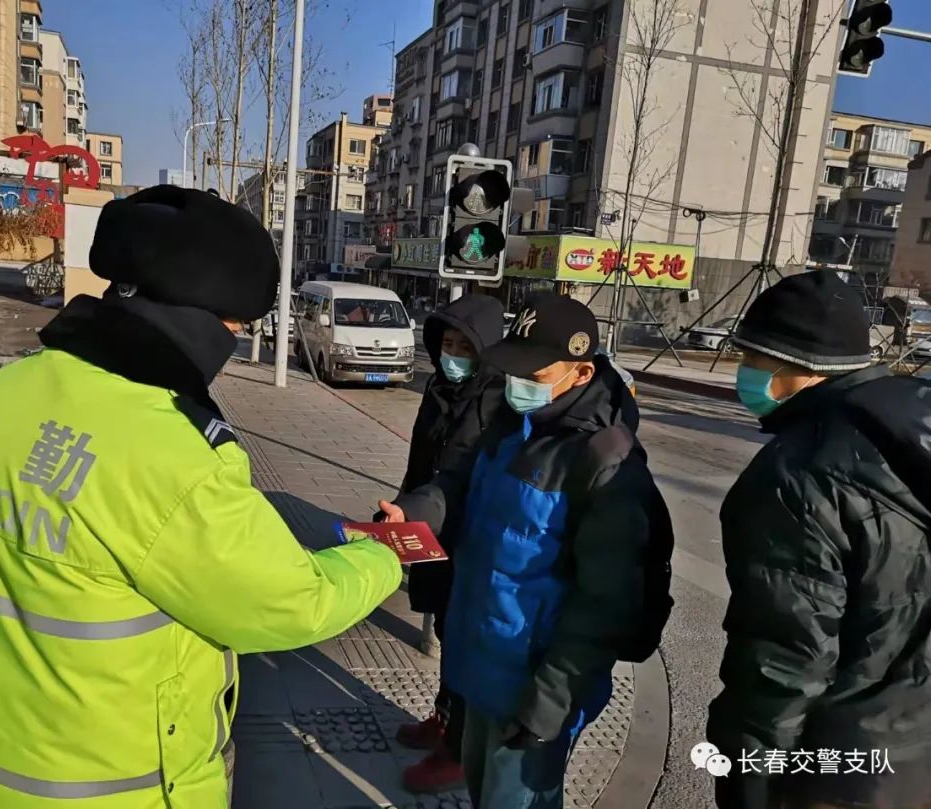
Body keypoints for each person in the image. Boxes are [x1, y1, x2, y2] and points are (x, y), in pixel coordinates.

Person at [0, 186, 402, 809]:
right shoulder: (174, 452)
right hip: (105, 786)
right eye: (236, 329)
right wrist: (384, 556)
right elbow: (290, 604)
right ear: (200, 322)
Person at [380, 292, 673, 809]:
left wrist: (549, 707)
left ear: (580, 374)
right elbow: (456, 484)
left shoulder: (604, 464)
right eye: (513, 369)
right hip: (478, 665)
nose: (517, 385)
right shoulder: (511, 427)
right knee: (481, 790)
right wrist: (415, 512)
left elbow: (604, 607)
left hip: (532, 690)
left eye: (534, 376)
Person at [707, 271, 931, 809]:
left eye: (756, 360)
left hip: (838, 769)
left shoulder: (799, 475)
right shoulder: (911, 427)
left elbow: (785, 658)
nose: (744, 373)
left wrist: (750, 779)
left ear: (803, 368)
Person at [394, 293, 507, 794]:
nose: (452, 353)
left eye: (465, 344)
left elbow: (470, 477)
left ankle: (459, 749)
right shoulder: (438, 387)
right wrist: (401, 511)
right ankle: (443, 720)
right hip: (430, 526)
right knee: (442, 622)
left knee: (463, 640)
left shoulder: (501, 400)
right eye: (446, 342)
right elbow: (422, 462)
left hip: (471, 536)